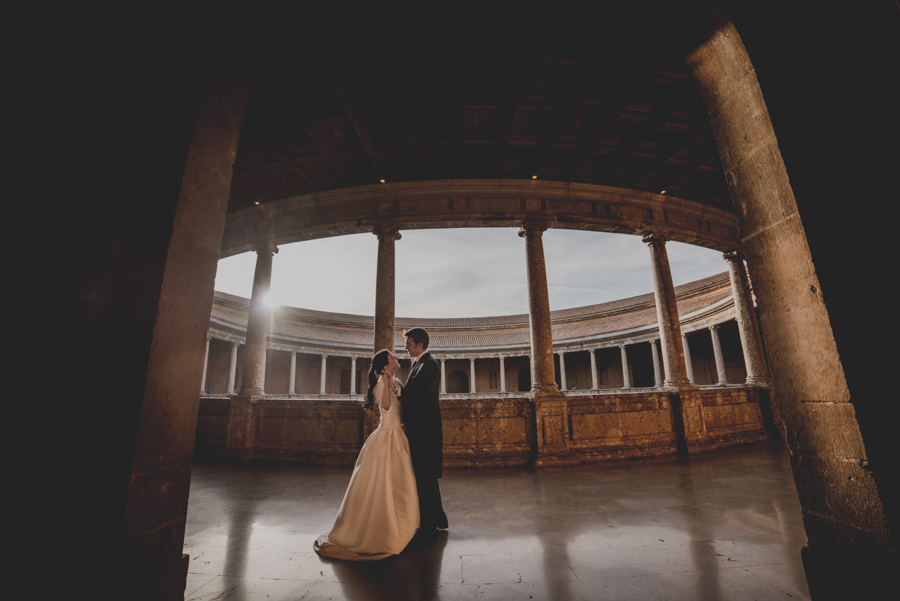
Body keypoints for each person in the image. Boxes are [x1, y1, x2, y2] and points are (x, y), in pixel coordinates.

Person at [314, 350, 420, 560]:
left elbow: (403, 402)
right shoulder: (381, 381)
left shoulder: (395, 379)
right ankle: (384, 530)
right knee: (384, 482)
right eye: (392, 356)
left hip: (397, 432)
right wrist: (387, 383)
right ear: (386, 364)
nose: (396, 357)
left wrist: (393, 384)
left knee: (399, 482)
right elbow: (386, 407)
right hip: (388, 436)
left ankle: (404, 522)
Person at [401, 327, 448, 548]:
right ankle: (437, 518)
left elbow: (422, 397)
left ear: (419, 345)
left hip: (424, 431)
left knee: (424, 477)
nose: (406, 347)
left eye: (408, 344)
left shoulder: (429, 364)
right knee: (426, 477)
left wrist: (400, 392)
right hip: (422, 429)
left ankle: (428, 527)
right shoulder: (420, 364)